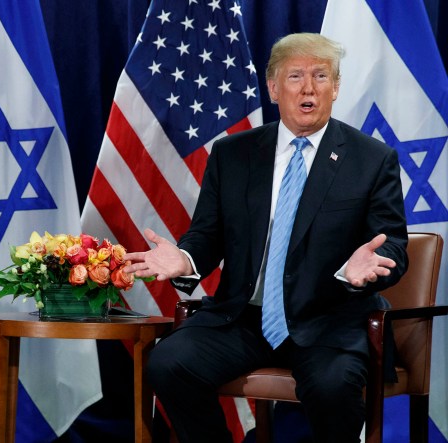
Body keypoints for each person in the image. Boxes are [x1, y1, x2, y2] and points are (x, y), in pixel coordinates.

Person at [124, 33, 408, 442]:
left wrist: (357, 272)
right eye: (295, 76)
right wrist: (186, 259)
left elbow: (394, 247)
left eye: (321, 76)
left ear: (336, 87)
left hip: (328, 322)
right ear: (274, 88)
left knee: (333, 387)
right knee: (168, 364)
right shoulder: (233, 154)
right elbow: (207, 235)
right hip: (244, 319)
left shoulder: (372, 159)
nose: (309, 88)